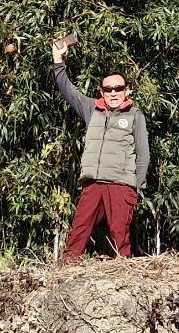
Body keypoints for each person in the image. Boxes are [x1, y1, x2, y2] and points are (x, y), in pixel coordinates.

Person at [51, 36, 150, 261]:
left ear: (127, 90)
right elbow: (67, 89)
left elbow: (143, 154)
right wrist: (58, 60)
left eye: (118, 88)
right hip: (93, 184)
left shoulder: (135, 116)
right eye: (108, 89)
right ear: (101, 91)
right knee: (78, 232)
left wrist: (135, 187)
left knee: (120, 237)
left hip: (121, 185)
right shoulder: (91, 109)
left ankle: (123, 274)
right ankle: (67, 269)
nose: (113, 93)